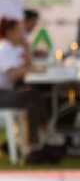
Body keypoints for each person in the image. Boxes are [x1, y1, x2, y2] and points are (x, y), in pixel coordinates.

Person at [0, 19, 48, 162]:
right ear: (10, 32)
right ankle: (34, 143)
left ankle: (35, 143)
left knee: (34, 98)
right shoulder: (4, 50)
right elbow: (13, 74)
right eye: (20, 30)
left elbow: (28, 64)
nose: (23, 33)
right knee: (32, 97)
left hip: (7, 92)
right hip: (2, 95)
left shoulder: (15, 49)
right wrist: (31, 69)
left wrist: (27, 48)